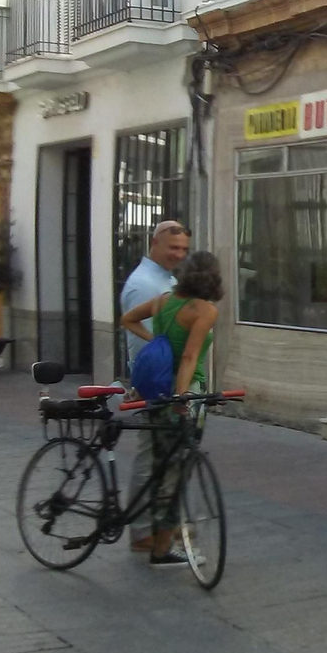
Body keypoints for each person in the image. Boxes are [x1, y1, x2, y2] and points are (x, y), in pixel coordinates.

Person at [120, 251, 223, 569]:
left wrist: (156, 341)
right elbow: (191, 359)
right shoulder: (203, 310)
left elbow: (127, 319)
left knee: (160, 467)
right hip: (184, 394)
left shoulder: (164, 300)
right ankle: (161, 549)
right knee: (175, 474)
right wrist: (181, 397)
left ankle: (157, 533)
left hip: (155, 390)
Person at [118, 221, 190, 553]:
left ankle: (160, 524)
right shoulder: (145, 284)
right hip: (157, 387)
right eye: (173, 248)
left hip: (166, 384)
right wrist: (152, 386)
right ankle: (143, 531)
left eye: (184, 250)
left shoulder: (166, 280)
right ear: (154, 243)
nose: (179, 254)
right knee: (150, 457)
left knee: (164, 458)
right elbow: (146, 346)